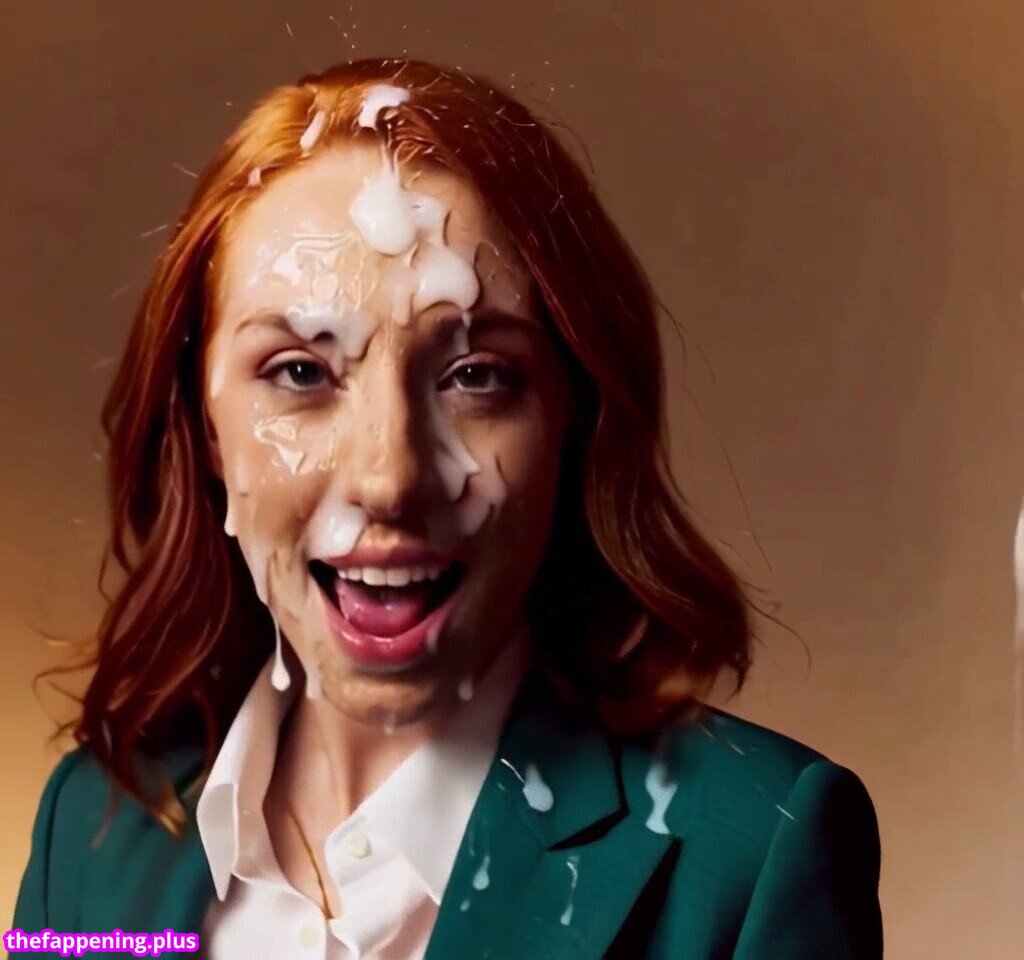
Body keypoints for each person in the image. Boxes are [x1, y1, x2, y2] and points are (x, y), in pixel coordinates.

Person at [12, 58, 882, 959]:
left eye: (476, 377)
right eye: (300, 372)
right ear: (204, 429)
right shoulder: (89, 831)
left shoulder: (754, 852)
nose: (389, 479)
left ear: (572, 421)